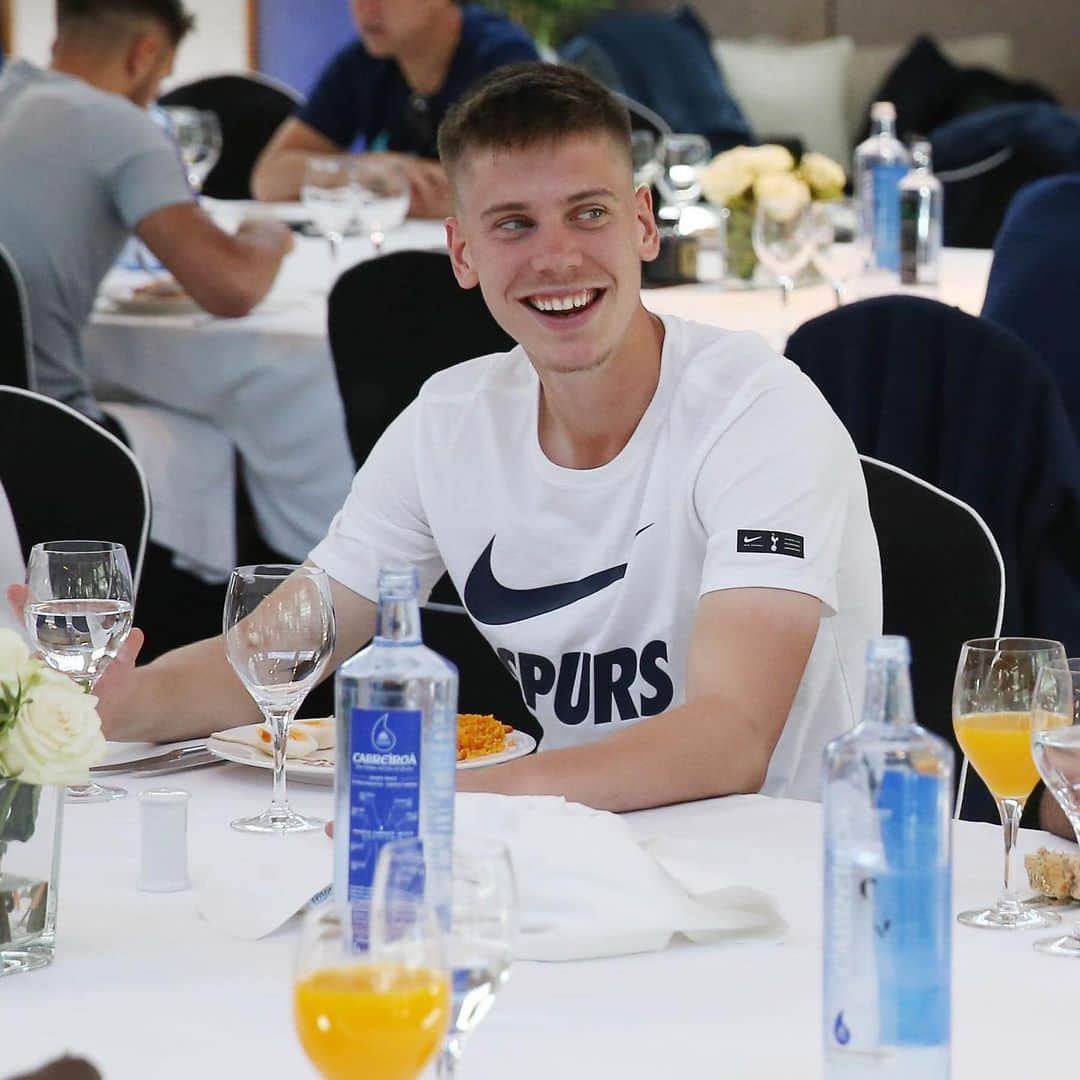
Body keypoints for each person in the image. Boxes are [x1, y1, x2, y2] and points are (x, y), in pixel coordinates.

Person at [19, 63, 884, 813]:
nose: (556, 258)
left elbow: (732, 741)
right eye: (514, 225)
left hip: (783, 868)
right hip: (567, 842)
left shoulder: (757, 411)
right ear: (462, 253)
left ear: (644, 224)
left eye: (588, 214)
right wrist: (95, 702)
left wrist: (446, 800)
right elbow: (278, 651)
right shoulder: (451, 420)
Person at [0, 0, 293, 426]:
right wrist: (267, 233)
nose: (154, 96)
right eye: (161, 78)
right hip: (42, 431)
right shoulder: (118, 125)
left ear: (59, 37)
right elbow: (232, 287)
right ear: (143, 53)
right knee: (222, 435)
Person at [250, 0, 537, 216]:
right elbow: (269, 178)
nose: (365, 7)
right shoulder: (363, 63)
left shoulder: (503, 61)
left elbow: (526, 186)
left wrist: (389, 187)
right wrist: (364, 170)